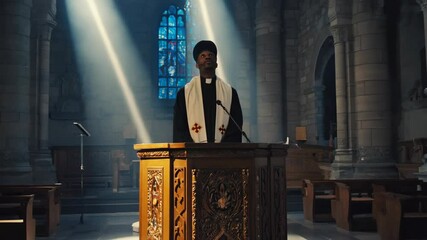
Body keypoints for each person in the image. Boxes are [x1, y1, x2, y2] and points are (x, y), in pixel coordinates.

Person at [173, 40, 243, 143]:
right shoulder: (184, 94)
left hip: (223, 154)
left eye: (210, 55)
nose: (207, 57)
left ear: (216, 64)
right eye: (203, 55)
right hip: (193, 154)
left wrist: (224, 149)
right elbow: (179, 128)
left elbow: (235, 125)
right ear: (197, 65)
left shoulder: (230, 93)